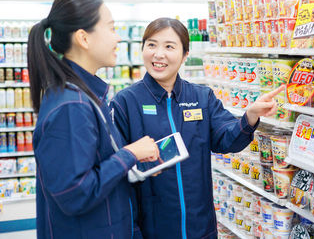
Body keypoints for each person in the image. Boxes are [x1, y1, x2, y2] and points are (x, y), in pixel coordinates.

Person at [110, 17, 284, 239]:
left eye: (169, 47)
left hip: (200, 227)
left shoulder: (201, 97)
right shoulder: (126, 102)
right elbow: (118, 175)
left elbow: (226, 139)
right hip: (152, 230)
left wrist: (250, 116)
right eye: (151, 45)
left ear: (185, 55)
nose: (158, 54)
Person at [27, 0, 160, 239]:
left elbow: (94, 167)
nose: (118, 38)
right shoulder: (71, 106)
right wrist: (130, 154)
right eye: (110, 28)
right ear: (84, 39)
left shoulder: (85, 95)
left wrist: (134, 162)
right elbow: (75, 193)